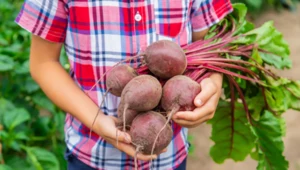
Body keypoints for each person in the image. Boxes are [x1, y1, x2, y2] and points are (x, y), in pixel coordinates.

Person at [15, 0, 233, 169]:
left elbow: (210, 43)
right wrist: (98, 121)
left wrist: (213, 81)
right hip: (91, 154)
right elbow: (43, 63)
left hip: (169, 154)